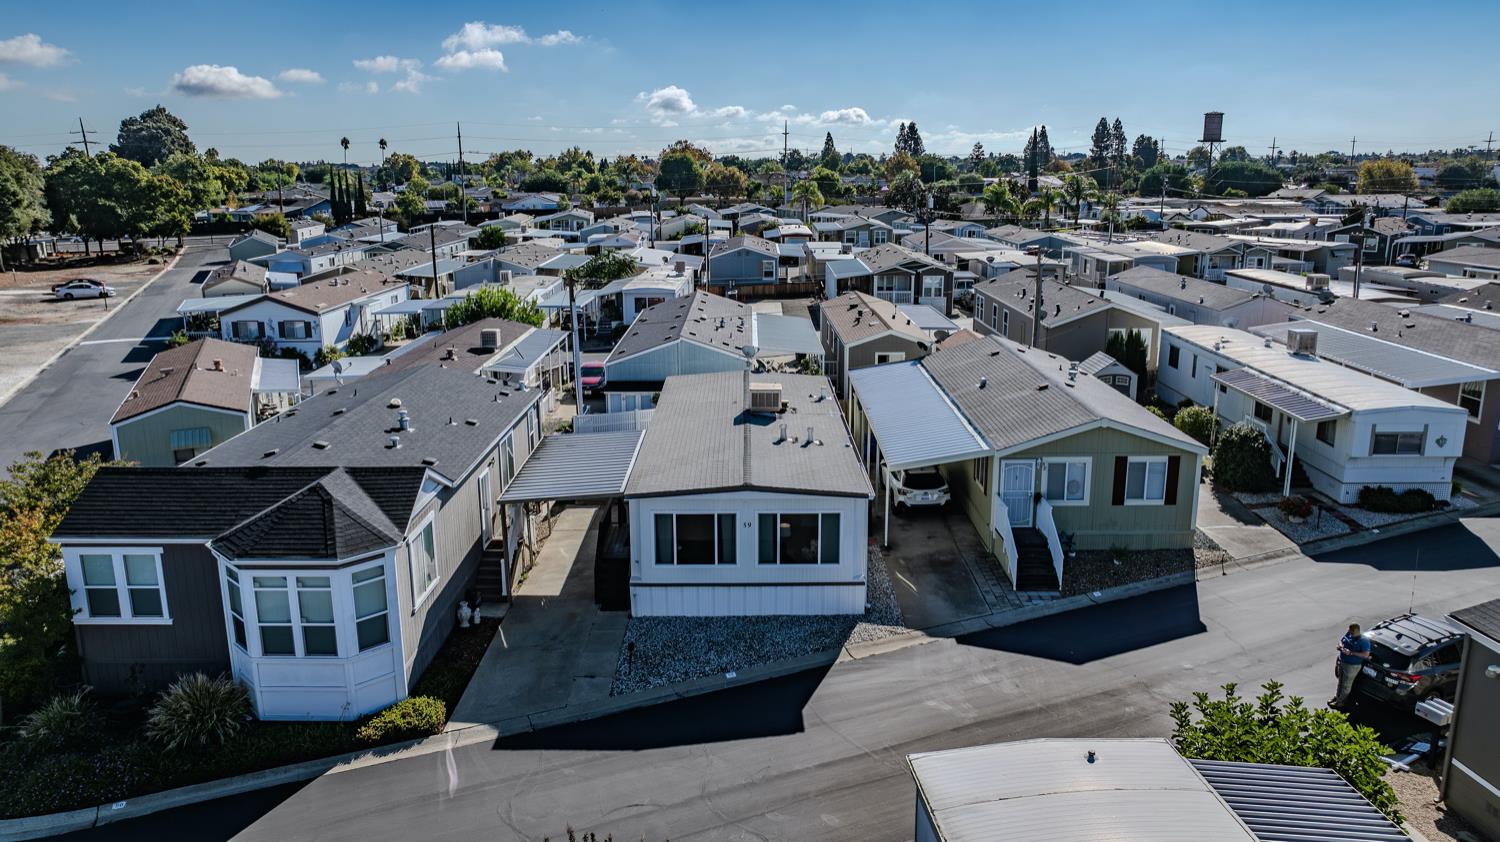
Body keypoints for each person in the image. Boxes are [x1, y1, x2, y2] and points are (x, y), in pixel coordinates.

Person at [1330, 623, 1372, 708]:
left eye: (1352, 632)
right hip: (1342, 661)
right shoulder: (1349, 633)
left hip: (1352, 666)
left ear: (1357, 631)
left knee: (1346, 685)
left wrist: (1351, 653)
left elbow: (1365, 655)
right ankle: (1337, 697)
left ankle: (1340, 702)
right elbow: (1342, 640)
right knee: (1340, 681)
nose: (1350, 633)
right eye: (1350, 631)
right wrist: (1340, 646)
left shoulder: (1364, 641)